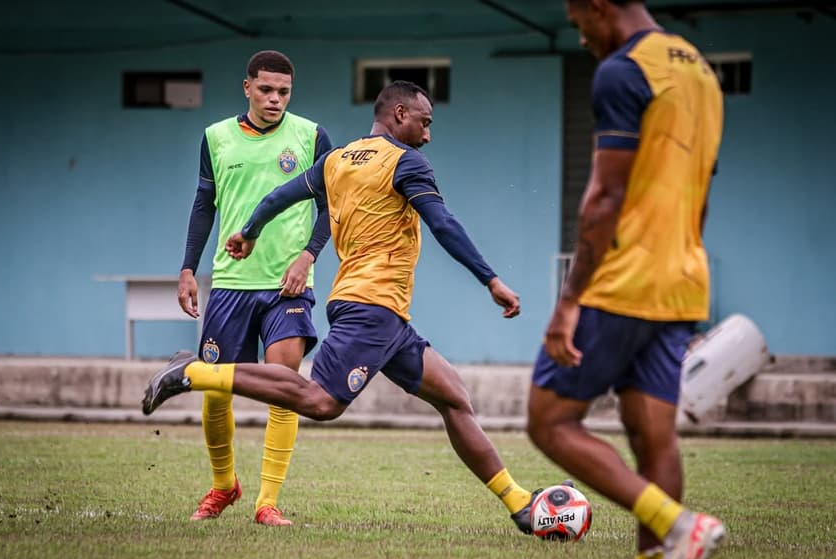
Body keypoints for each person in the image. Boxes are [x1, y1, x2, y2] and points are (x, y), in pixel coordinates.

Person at [145, 80, 549, 533]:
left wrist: (251, 229)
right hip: (371, 306)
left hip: (381, 311)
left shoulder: (337, 160)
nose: (429, 134)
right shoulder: (407, 161)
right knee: (320, 401)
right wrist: (490, 279)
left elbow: (279, 196)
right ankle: (194, 372)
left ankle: (520, 504)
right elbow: (443, 224)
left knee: (454, 396)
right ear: (399, 115)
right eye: (425, 122)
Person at [527, 1, 725, 559]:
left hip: (625, 281)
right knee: (651, 436)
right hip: (683, 279)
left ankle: (678, 524)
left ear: (598, 6)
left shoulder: (623, 70)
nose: (581, 35)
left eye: (578, 20)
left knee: (549, 420)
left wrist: (569, 301)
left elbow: (605, 197)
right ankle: (658, 555)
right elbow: (702, 193)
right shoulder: (701, 72)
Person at [176, 49, 332, 526]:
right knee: (216, 394)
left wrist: (308, 256)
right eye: (266, 89)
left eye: (283, 91)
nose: (275, 99)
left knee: (285, 387)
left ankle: (268, 502)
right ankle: (224, 486)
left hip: (287, 286)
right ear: (247, 88)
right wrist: (187, 268)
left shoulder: (311, 136)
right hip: (231, 283)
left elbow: (332, 207)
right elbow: (205, 204)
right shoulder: (216, 137)